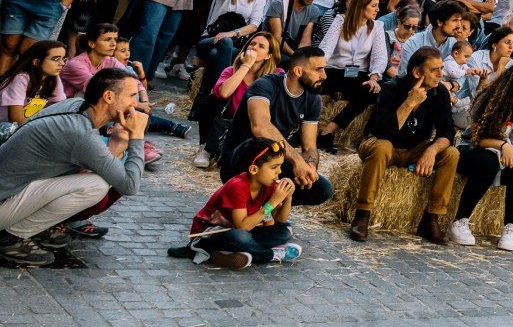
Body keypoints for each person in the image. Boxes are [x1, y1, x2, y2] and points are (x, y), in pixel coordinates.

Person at [0, 67, 145, 266]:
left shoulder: (75, 104)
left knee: (88, 174)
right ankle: (11, 237)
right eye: (131, 95)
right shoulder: (81, 135)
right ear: (109, 97)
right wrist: (137, 136)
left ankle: (34, 229)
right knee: (96, 185)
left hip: (11, 191)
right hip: (4, 202)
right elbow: (129, 185)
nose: (134, 103)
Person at [349, 47, 459, 243]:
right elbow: (384, 132)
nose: (440, 74)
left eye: (441, 69)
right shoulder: (392, 88)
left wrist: (432, 151)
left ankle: (431, 219)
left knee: (451, 153)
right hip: (379, 144)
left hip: (414, 149)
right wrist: (409, 103)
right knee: (383, 146)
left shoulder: (440, 92)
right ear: (417, 73)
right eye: (434, 70)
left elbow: (447, 132)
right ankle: (362, 214)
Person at [218, 47, 334, 208]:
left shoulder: (313, 99)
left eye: (324, 68)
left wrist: (309, 166)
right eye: (318, 69)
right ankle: (244, 209)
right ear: (298, 71)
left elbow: (309, 146)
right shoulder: (265, 85)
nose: (324, 75)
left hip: (273, 164)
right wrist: (297, 161)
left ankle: (265, 211)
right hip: (241, 160)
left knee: (322, 189)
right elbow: (261, 128)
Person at [450, 62, 513, 251]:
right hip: (472, 151)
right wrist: (503, 145)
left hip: (504, 156)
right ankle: (460, 220)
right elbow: (476, 139)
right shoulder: (489, 100)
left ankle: (510, 226)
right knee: (488, 162)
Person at [181, 138, 301, 268]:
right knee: (240, 237)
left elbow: (280, 219)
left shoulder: (267, 183)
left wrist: (288, 197)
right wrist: (272, 203)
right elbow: (242, 226)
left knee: (285, 230)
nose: (280, 172)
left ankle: (223, 254)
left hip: (237, 230)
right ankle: (270, 255)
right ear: (254, 169)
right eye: (274, 167)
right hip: (209, 233)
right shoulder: (237, 186)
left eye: (280, 166)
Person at [316, 0, 389, 152]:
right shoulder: (340, 21)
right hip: (335, 70)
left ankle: (328, 131)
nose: (378, 10)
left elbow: (380, 56)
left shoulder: (377, 26)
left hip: (358, 73)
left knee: (373, 91)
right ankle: (303, 129)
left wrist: (374, 77)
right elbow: (326, 47)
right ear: (361, 7)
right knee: (312, 86)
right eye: (374, 6)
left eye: (378, 6)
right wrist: (319, 69)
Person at [196, 33, 277, 168]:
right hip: (228, 120)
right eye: (252, 44)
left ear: (269, 55)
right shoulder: (231, 71)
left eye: (261, 46)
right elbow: (224, 93)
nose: (254, 48)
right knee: (211, 101)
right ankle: (205, 149)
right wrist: (246, 66)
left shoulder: (274, 76)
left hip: (253, 125)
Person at [0, 39, 65, 124]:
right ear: (37, 62)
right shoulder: (20, 79)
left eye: (63, 59)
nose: (62, 63)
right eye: (56, 59)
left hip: (23, 128)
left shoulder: (54, 79)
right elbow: (16, 120)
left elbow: (63, 107)